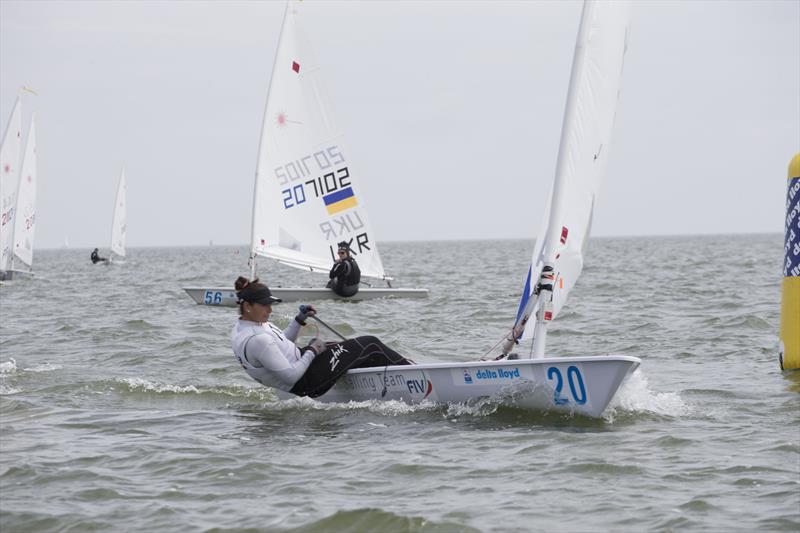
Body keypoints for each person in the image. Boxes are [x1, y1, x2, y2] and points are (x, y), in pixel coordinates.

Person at [231, 276, 413, 398]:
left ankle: (387, 383)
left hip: (301, 364)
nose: (270, 309)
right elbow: (290, 377)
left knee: (352, 348)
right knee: (370, 344)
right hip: (305, 383)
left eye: (270, 304)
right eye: (264, 305)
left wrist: (299, 320)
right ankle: (415, 375)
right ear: (248, 306)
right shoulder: (257, 339)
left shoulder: (244, 328)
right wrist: (312, 350)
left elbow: (280, 345)